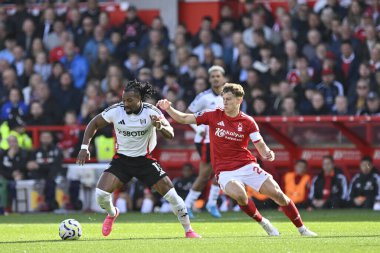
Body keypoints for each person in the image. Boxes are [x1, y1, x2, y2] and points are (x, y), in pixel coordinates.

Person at [157, 83, 317, 236]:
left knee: (278, 195)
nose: (224, 102)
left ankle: (302, 229)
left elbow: (259, 143)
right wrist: (168, 108)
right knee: (240, 195)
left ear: (239, 100)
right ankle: (264, 223)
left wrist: (266, 151)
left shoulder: (247, 121)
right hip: (224, 171)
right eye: (223, 99)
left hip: (247, 165)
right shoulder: (213, 115)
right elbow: (185, 118)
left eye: (228, 99)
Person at [76, 80, 200, 238]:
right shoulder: (116, 111)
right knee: (100, 194)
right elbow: (93, 123)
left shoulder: (151, 111)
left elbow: (171, 133)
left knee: (173, 197)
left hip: (145, 161)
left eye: (129, 100)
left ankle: (188, 230)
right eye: (123, 100)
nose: (125, 104)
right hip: (122, 161)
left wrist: (160, 126)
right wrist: (84, 148)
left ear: (139, 99)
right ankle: (112, 213)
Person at [184, 65, 225, 218]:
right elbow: (188, 114)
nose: (215, 78)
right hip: (205, 140)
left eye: (218, 76)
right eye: (213, 76)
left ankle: (212, 203)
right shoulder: (203, 97)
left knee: (221, 172)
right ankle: (187, 205)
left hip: (222, 140)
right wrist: (197, 129)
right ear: (209, 79)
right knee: (204, 174)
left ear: (223, 78)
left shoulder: (228, 96)